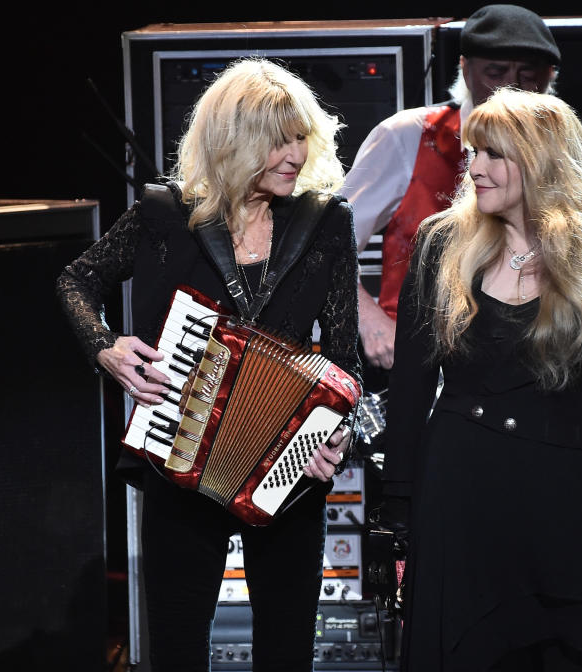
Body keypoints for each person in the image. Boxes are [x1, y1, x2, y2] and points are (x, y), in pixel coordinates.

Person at [56, 58, 362, 671]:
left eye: (301, 135)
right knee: (177, 650)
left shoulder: (327, 223)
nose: (295, 154)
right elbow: (76, 280)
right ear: (232, 140)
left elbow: (344, 359)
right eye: (277, 139)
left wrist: (339, 435)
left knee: (286, 652)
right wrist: (106, 347)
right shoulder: (164, 215)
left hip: (288, 471)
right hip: (179, 462)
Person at [379, 88, 582, 671]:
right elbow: (413, 388)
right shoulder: (442, 242)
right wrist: (399, 505)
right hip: (466, 492)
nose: (475, 169)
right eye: (473, 153)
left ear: (540, 161)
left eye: (494, 154)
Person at [341, 4, 582, 372]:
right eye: (495, 72)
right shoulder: (409, 135)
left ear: (549, 79)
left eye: (527, 75)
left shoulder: (566, 156)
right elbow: (327, 244)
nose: (510, 87)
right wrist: (370, 322)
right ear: (465, 69)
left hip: (530, 372)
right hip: (416, 361)